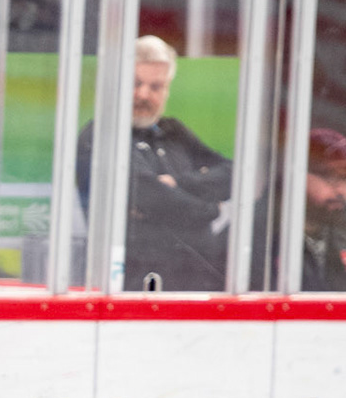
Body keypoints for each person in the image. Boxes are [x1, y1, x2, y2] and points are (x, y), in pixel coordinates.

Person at [75, 35, 231, 292]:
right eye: (135, 84)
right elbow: (148, 195)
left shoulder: (173, 131)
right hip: (132, 288)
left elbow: (232, 173)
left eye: (155, 87)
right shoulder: (103, 134)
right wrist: (210, 209)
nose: (143, 95)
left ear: (167, 90)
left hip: (198, 284)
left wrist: (179, 183)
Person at [251, 128, 346, 292]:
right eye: (329, 176)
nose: (341, 191)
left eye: (345, 179)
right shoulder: (255, 236)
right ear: (293, 177)